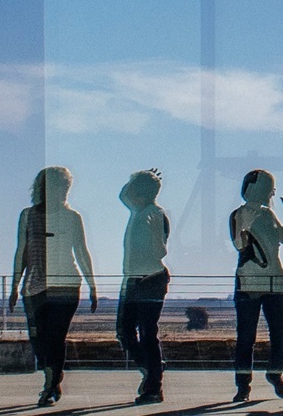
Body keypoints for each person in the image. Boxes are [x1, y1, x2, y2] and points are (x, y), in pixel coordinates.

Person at [14, 167, 96, 408]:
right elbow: (22, 252)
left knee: (56, 337)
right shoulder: (28, 216)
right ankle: (52, 377)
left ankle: (49, 384)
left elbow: (81, 252)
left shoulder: (72, 217)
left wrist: (92, 284)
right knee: (39, 339)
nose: (61, 191)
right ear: (43, 188)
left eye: (64, 186)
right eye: (56, 185)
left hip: (66, 285)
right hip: (34, 287)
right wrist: (14, 285)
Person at [228, 169, 283, 402]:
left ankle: (275, 373)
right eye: (267, 188)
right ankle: (243, 385)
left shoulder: (268, 215)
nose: (270, 193)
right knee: (246, 337)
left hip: (275, 280)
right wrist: (247, 221)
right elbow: (239, 243)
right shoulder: (239, 214)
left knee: (281, 334)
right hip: (248, 281)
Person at [116, 170, 172, 404]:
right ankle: (152, 367)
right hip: (132, 280)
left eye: (133, 188)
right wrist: (136, 178)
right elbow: (122, 196)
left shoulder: (156, 214)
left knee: (148, 333)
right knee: (124, 331)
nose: (130, 193)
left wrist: (153, 233)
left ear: (142, 193)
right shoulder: (136, 210)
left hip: (151, 279)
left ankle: (154, 386)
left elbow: (161, 251)